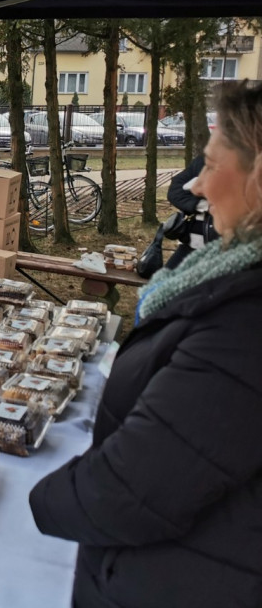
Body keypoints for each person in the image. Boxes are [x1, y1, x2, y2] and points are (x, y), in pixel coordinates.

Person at [29, 82, 262, 608]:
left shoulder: (244, 326)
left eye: (210, 164)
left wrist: (24, 495)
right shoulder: (227, 279)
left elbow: (128, 489)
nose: (198, 186)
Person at [164, 154, 217, 268]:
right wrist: (203, 205)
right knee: (161, 283)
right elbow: (175, 190)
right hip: (191, 247)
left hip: (223, 253)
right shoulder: (202, 161)